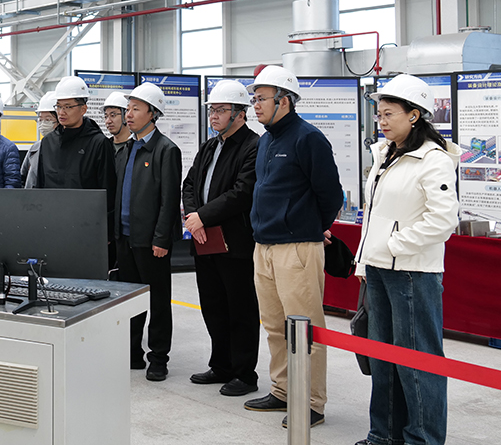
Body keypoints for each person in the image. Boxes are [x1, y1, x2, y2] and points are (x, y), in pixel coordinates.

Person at [354, 74, 459, 445]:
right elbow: (374, 214)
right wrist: (366, 260)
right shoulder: (385, 154)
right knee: (382, 358)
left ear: (414, 115)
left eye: (389, 114)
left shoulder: (432, 159)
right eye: (379, 114)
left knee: (418, 362)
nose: (381, 121)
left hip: (413, 272)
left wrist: (394, 245)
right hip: (380, 269)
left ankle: (423, 439)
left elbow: (444, 219)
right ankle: (383, 435)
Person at [243, 65, 343, 428]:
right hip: (264, 246)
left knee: (306, 329)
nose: (255, 105)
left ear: (284, 100)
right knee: (274, 325)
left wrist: (311, 227)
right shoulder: (266, 140)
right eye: (254, 99)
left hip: (297, 247)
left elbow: (331, 195)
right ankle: (283, 390)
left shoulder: (308, 138)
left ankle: (311, 401)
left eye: (261, 98)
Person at [181, 79, 261, 397]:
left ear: (240, 113)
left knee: (240, 309)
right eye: (211, 109)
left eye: (220, 110)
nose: (213, 115)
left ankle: (244, 373)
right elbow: (189, 184)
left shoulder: (253, 146)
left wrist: (202, 216)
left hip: (235, 243)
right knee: (213, 305)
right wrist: (194, 218)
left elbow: (242, 193)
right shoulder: (210, 146)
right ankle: (221, 365)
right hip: (204, 239)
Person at [113, 81, 182, 382]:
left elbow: (169, 199)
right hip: (125, 238)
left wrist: (161, 239)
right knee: (130, 299)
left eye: (136, 109)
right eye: (128, 109)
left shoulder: (166, 150)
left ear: (152, 113)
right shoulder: (127, 148)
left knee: (158, 301)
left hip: (151, 241)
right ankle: (131, 353)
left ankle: (158, 358)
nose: (128, 114)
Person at [35, 76, 116, 268]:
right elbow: (40, 186)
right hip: (52, 228)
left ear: (83, 109)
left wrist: (106, 232)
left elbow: (108, 191)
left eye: (68, 107)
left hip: (86, 231)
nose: (61, 112)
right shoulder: (48, 143)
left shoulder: (98, 143)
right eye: (58, 106)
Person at [21, 93, 57, 188]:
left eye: (48, 120)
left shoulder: (68, 148)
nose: (43, 124)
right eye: (40, 120)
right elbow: (23, 176)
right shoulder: (35, 148)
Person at [103, 90, 134, 181]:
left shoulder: (136, 147)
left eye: (113, 115)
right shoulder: (104, 146)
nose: (108, 121)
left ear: (125, 116)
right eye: (106, 116)